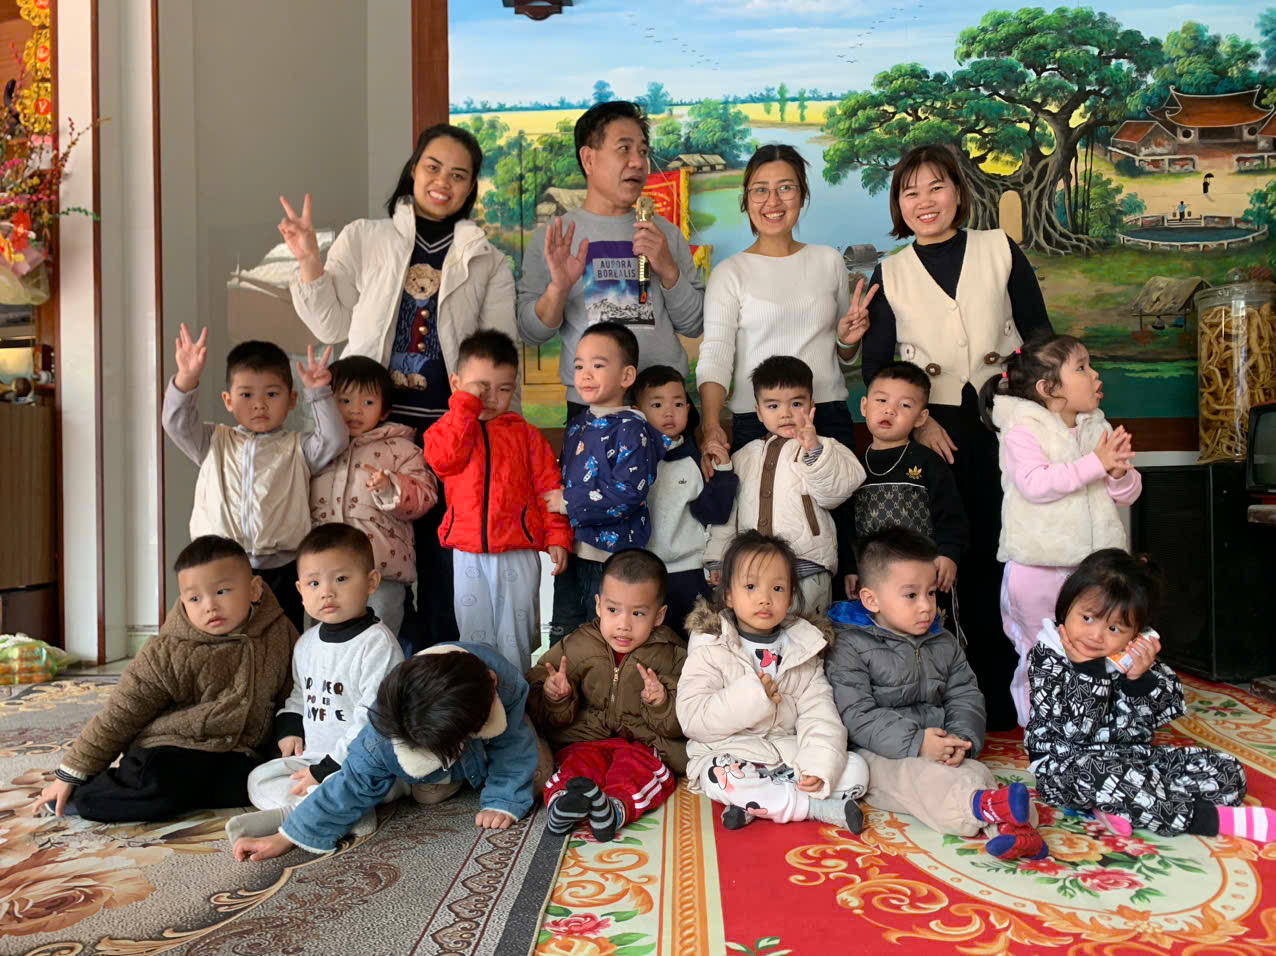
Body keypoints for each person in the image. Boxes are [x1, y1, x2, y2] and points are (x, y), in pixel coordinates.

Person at [281, 123, 519, 648]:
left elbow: (499, 353)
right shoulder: (365, 237)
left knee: (444, 572)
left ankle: (436, 678)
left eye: (458, 175)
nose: (442, 182)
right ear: (413, 169)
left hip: (449, 439)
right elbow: (329, 325)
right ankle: (369, 672)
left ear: (471, 187)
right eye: (433, 167)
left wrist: (501, 439)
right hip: (369, 434)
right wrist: (308, 259)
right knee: (372, 571)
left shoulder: (487, 259)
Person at [860, 143, 1053, 731]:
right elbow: (877, 367)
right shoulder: (890, 271)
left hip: (1007, 420)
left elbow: (1039, 333)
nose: (924, 201)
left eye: (936, 186)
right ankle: (946, 695)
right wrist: (921, 420)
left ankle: (1012, 694)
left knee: (1007, 551)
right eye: (910, 191)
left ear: (959, 192)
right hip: (934, 432)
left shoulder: (999, 248)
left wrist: (1042, 406)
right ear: (898, 204)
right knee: (944, 560)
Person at [696, 143, 874, 580]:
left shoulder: (827, 261)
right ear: (746, 199)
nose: (772, 201)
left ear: (802, 194)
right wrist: (713, 424)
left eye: (785, 188)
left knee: (834, 545)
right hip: (755, 422)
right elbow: (716, 354)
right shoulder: (731, 273)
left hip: (825, 416)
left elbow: (842, 352)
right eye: (760, 190)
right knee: (758, 551)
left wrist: (848, 341)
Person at [35, 536, 297, 821]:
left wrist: (286, 746)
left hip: (236, 753)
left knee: (259, 784)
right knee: (157, 787)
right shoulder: (168, 651)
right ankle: (84, 796)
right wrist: (70, 773)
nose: (209, 606)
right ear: (183, 601)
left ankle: (191, 792)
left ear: (255, 589)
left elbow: (294, 694)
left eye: (222, 591)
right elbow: (121, 713)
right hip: (171, 748)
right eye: (195, 599)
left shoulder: (281, 633)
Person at [826, 528, 1048, 861]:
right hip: (879, 751)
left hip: (940, 741)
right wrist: (917, 742)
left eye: (930, 593)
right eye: (911, 595)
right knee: (921, 780)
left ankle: (1016, 827)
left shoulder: (942, 641)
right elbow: (857, 714)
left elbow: (965, 694)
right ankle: (986, 809)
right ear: (871, 600)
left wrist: (961, 738)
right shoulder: (850, 646)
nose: (926, 606)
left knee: (974, 771)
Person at [1027, 549, 1274, 842]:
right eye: (1088, 618)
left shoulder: (1131, 659)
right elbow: (1076, 731)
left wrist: (1140, 679)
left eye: (1114, 628)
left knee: (1227, 772)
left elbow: (1169, 709)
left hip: (1133, 759)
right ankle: (1205, 819)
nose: (1096, 636)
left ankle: (1120, 806)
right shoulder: (1046, 656)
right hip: (1065, 767)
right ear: (1066, 607)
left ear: (1137, 634)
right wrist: (1088, 671)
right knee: (1109, 776)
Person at [232, 641, 548, 861]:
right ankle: (311, 812)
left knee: (536, 778)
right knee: (417, 792)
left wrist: (503, 800)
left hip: (481, 744)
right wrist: (286, 837)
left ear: (492, 683)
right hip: (427, 762)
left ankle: (385, 793)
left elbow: (513, 746)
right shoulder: (383, 729)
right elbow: (352, 781)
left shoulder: (500, 681)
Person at [981, 334, 1142, 727]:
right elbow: (1036, 484)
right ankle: (1040, 728)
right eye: (1082, 367)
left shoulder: (1097, 428)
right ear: (1049, 388)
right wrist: (1097, 464)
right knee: (1042, 650)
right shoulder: (1023, 429)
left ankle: (1091, 723)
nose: (1095, 374)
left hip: (1093, 569)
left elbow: (1126, 495)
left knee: (1094, 648)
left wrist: (1118, 473)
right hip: (1038, 568)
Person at [516, 100, 704, 423]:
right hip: (592, 407)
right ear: (589, 159)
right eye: (624, 149)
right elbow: (531, 333)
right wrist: (558, 289)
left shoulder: (667, 234)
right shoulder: (555, 238)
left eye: (643, 151)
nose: (638, 162)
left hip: (664, 405)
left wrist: (668, 270)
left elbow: (695, 323)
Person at [224, 524, 405, 847]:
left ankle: (312, 811)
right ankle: (330, 810)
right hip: (316, 759)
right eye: (314, 583)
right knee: (259, 778)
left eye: (341, 579)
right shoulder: (306, 643)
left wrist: (328, 768)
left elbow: (373, 718)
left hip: (364, 762)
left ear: (371, 582)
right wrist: (291, 728)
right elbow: (301, 694)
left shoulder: (377, 644)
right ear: (300, 590)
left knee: (362, 782)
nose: (327, 592)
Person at [679, 531, 869, 832]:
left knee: (857, 771)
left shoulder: (803, 645)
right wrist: (753, 697)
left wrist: (818, 765)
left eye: (777, 588)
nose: (765, 598)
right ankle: (814, 807)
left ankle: (759, 802)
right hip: (732, 752)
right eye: (751, 586)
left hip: (786, 754)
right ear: (728, 594)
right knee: (719, 775)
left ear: (790, 596)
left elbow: (820, 713)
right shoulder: (711, 644)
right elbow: (693, 719)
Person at [162, 326, 347, 632]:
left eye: (272, 394)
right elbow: (176, 423)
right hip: (220, 565)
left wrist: (318, 393)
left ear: (292, 399)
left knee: (282, 636)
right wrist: (186, 378)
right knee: (223, 636)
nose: (259, 404)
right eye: (246, 394)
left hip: (283, 567)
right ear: (228, 400)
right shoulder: (213, 441)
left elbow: (334, 439)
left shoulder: (299, 448)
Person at [423, 330, 573, 671]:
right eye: (481, 387)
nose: (491, 398)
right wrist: (465, 406)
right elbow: (444, 461)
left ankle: (519, 698)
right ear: (456, 383)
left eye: (504, 389)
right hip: (468, 553)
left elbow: (549, 489)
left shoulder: (527, 436)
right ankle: (482, 700)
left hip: (517, 552)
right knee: (474, 639)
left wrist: (557, 536)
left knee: (515, 638)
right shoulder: (446, 431)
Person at [527, 549, 685, 842]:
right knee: (575, 765)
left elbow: (688, 717)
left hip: (643, 744)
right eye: (613, 610)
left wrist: (662, 703)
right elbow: (535, 691)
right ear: (598, 605)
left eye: (638, 613)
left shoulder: (672, 654)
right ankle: (563, 803)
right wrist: (555, 697)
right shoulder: (578, 645)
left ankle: (614, 808)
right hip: (585, 739)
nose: (624, 624)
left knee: (642, 771)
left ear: (659, 615)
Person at [705, 356, 865, 615]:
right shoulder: (742, 457)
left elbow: (835, 494)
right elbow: (729, 514)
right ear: (758, 411)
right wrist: (717, 558)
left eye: (797, 404)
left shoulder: (826, 448)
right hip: (752, 570)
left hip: (806, 565)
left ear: (812, 405)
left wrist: (813, 450)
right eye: (773, 405)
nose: (786, 413)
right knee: (759, 631)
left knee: (809, 633)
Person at [548, 322, 668, 640]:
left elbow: (628, 494)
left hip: (611, 562)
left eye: (598, 365)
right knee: (564, 633)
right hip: (573, 552)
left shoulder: (632, 429)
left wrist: (568, 502)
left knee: (603, 638)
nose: (586, 374)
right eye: (579, 366)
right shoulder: (577, 425)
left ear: (627, 376)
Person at [311, 356, 437, 639]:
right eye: (344, 400)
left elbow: (425, 495)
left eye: (367, 402)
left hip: (381, 573)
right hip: (324, 574)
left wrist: (391, 486)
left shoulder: (401, 449)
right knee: (327, 643)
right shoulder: (318, 450)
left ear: (384, 410)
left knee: (379, 641)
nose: (355, 410)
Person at [847, 360, 968, 631]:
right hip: (875, 578)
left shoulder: (928, 462)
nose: (890, 410)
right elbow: (846, 527)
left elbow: (951, 515)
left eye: (904, 405)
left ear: (921, 418)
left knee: (931, 635)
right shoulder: (852, 467)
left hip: (924, 576)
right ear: (864, 406)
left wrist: (949, 554)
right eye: (881, 400)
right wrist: (850, 568)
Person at [632, 365, 739, 638]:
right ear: (637, 411)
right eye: (657, 404)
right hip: (643, 571)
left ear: (689, 410)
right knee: (651, 643)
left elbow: (714, 512)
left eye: (678, 404)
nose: (669, 413)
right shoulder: (631, 459)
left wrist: (723, 471)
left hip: (690, 571)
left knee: (698, 642)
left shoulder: (696, 460)